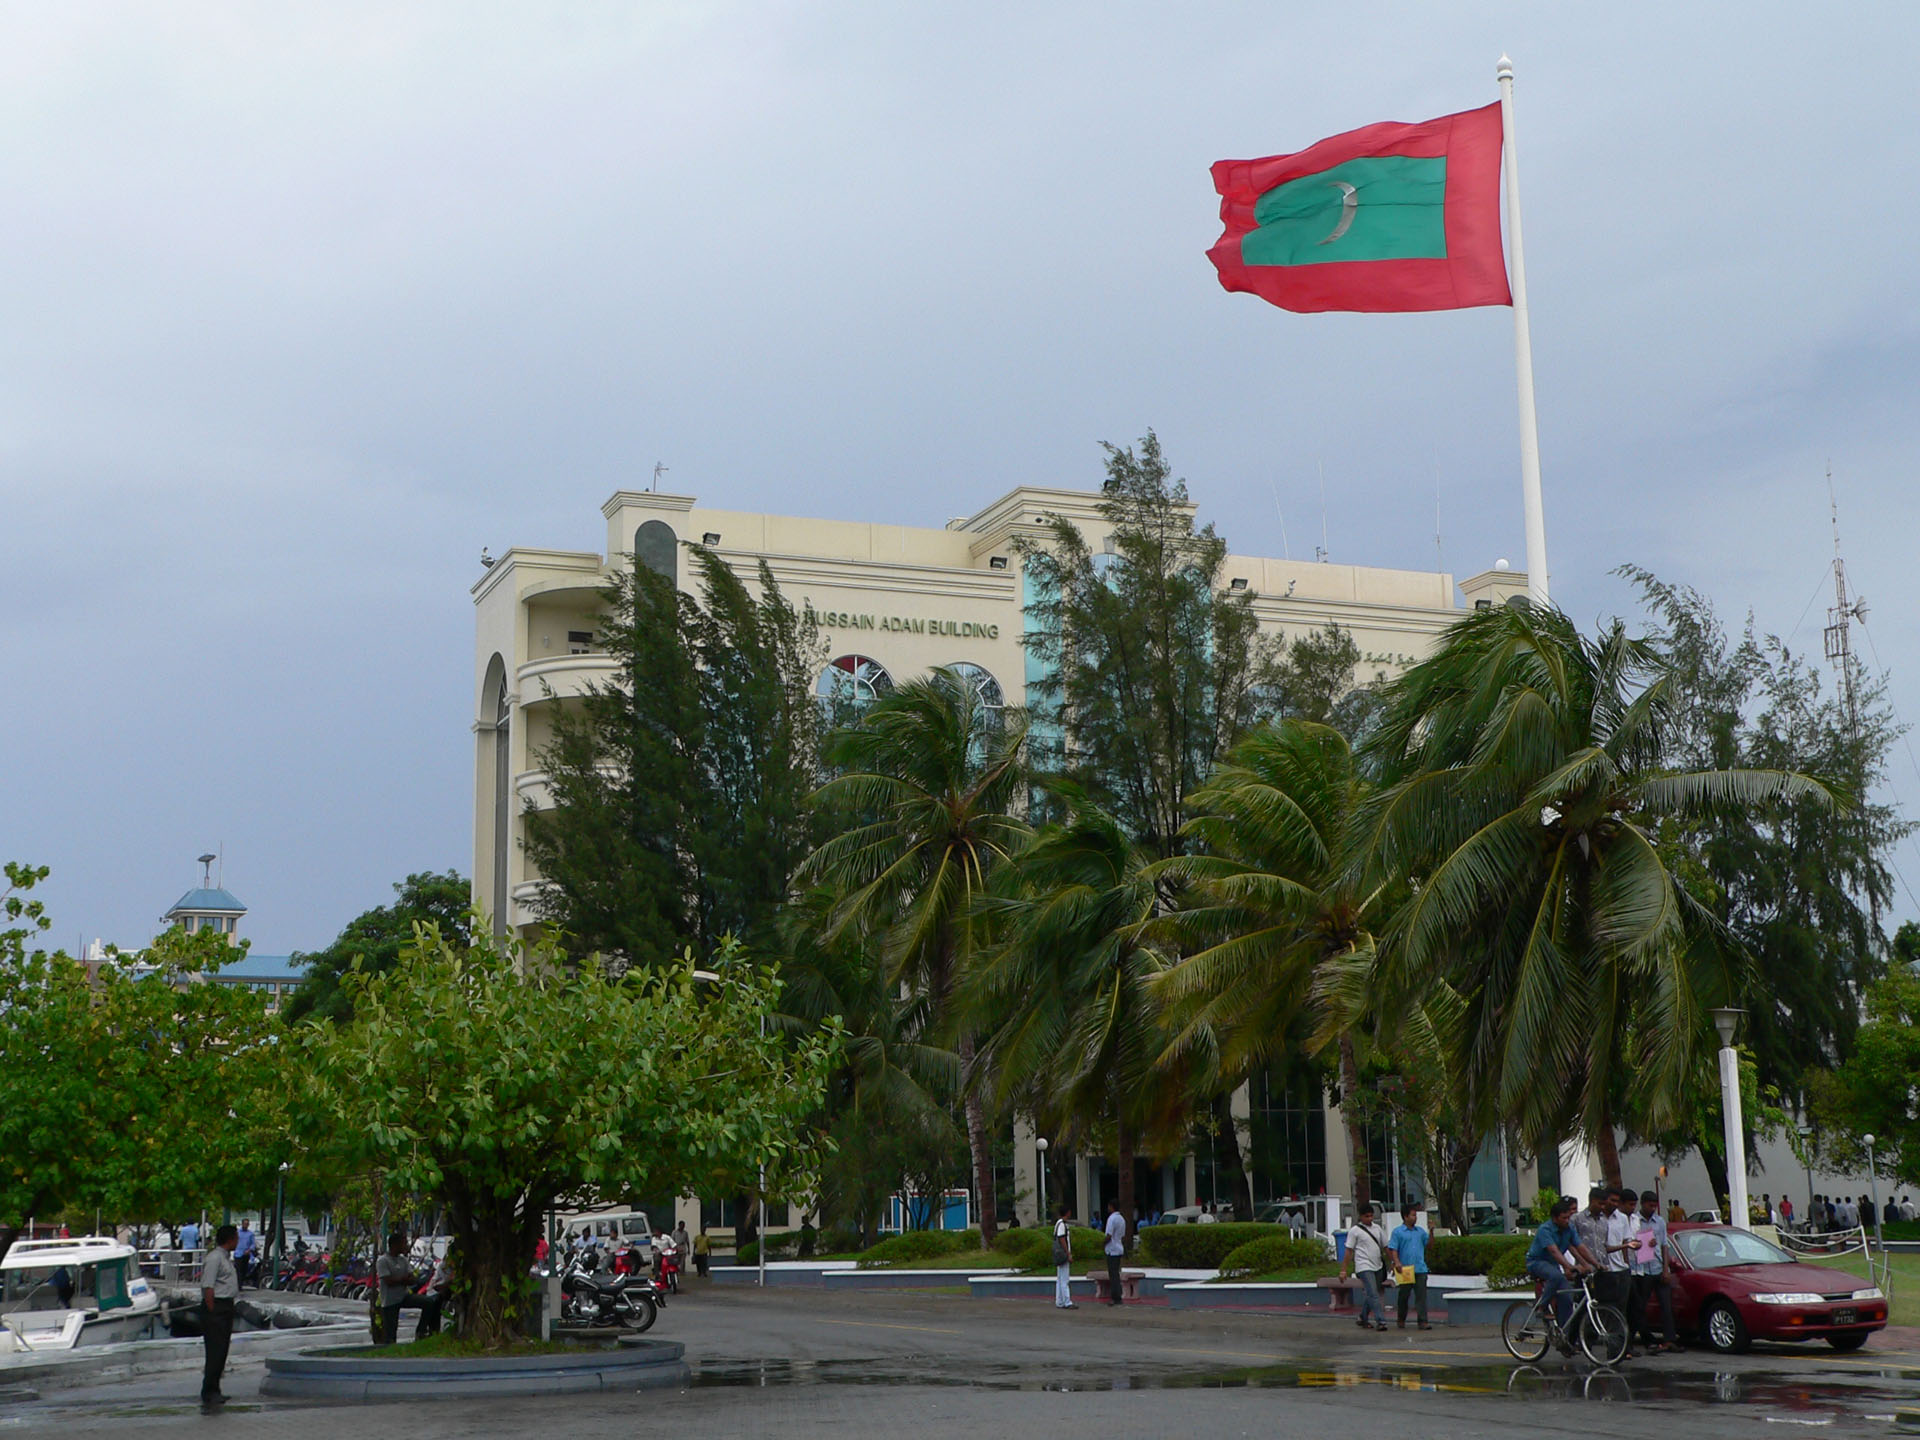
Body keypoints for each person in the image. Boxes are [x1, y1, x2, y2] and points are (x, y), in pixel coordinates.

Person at [1525, 1196, 1589, 1345]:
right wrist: (1568, 1266)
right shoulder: (1545, 1229)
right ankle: (1542, 1307)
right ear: (1555, 1218)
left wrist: (1593, 1264)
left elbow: (1580, 1247)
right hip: (1537, 1262)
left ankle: (1563, 1338)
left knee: (1567, 1298)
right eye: (1564, 1218)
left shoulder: (1569, 1229)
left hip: (1552, 1264)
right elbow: (1554, 1251)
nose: (1567, 1220)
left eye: (1568, 1217)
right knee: (1556, 1276)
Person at [1628, 1189, 1676, 1353]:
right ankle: (1637, 1339)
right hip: (1642, 1269)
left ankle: (1669, 1339)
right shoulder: (1635, 1221)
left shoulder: (1659, 1221)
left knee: (1666, 1306)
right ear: (1642, 1204)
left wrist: (1665, 1269)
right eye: (1650, 1205)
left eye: (1655, 1206)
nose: (1653, 1209)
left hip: (1657, 1266)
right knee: (1640, 1307)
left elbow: (1664, 1245)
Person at [199, 1224, 240, 1410]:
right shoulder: (215, 1258)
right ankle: (209, 1391)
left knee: (222, 1350)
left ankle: (215, 1388)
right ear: (230, 1239)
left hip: (226, 1306)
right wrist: (212, 1310)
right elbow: (208, 1286)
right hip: (217, 1307)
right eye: (236, 1238)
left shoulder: (225, 1258)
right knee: (215, 1350)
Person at [375, 1232, 437, 1346]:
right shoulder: (383, 1260)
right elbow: (388, 1281)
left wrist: (403, 1280)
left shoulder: (403, 1260)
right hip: (390, 1300)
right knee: (391, 1332)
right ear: (395, 1245)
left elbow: (412, 1278)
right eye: (403, 1243)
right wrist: (403, 1280)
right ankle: (390, 1348)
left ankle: (421, 1331)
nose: (406, 1246)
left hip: (403, 1296)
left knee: (428, 1302)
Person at [1339, 1201, 1390, 1333]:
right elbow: (1348, 1251)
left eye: (1371, 1216)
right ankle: (1381, 1321)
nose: (1370, 1219)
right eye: (1367, 1216)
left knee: (1373, 1293)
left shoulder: (1377, 1229)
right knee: (1373, 1293)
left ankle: (1362, 1317)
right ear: (1361, 1216)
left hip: (1377, 1265)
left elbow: (1386, 1246)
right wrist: (1343, 1270)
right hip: (1363, 1266)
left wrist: (1394, 1262)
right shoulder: (1355, 1231)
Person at [1386, 1201, 1431, 1331]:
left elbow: (1429, 1245)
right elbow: (1393, 1249)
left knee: (1421, 1297)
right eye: (1412, 1215)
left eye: (1415, 1215)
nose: (1415, 1218)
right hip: (1405, 1269)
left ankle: (1423, 1321)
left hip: (1420, 1268)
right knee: (1404, 1296)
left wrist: (1432, 1231)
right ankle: (1401, 1318)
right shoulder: (1398, 1232)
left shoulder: (1420, 1232)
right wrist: (1396, 1262)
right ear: (1405, 1217)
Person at [1101, 1200, 1127, 1306]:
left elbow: (1109, 1235)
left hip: (1112, 1249)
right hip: (1119, 1248)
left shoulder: (1112, 1219)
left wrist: (1102, 1243)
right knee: (1116, 1273)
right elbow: (1122, 1235)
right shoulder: (1121, 1219)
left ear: (1111, 1207)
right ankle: (1118, 1296)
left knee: (1113, 1275)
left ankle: (1115, 1297)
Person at [1052, 1203, 1077, 1309]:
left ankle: (1060, 1301)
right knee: (1064, 1279)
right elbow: (1062, 1238)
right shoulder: (1062, 1224)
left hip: (1059, 1254)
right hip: (1063, 1254)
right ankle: (1067, 1301)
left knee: (1060, 1278)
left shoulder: (1058, 1223)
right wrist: (1068, 1253)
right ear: (1067, 1213)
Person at [233, 1220, 256, 1286]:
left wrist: (249, 1250)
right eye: (244, 1224)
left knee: (244, 1269)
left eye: (247, 1224)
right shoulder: (237, 1233)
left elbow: (253, 1244)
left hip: (246, 1254)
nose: (245, 1225)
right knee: (238, 1269)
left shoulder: (250, 1234)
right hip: (238, 1253)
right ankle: (238, 1285)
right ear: (242, 1224)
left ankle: (241, 1282)